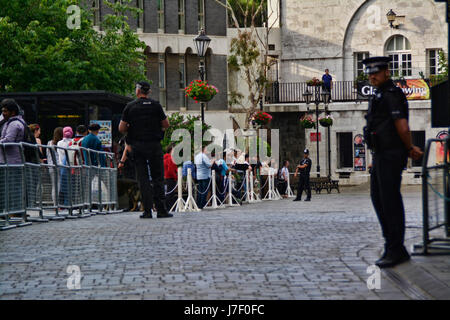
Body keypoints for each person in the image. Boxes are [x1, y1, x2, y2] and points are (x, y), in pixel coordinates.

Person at [362, 56, 423, 268]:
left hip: (391, 154)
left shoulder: (392, 95)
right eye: (369, 73)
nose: (372, 76)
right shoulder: (378, 95)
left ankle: (396, 248)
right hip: (380, 154)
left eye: (376, 72)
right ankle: (392, 244)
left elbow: (402, 125)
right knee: (378, 198)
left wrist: (409, 148)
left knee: (389, 200)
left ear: (386, 72)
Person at [119, 81, 171, 219]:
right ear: (148, 92)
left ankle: (147, 210)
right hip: (154, 145)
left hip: (138, 146)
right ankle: (161, 210)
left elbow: (121, 128)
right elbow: (166, 124)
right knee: (158, 178)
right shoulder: (156, 106)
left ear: (138, 91)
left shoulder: (130, 107)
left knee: (143, 179)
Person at [0, 99, 25, 164]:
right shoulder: (13, 122)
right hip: (11, 160)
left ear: (13, 112)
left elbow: (8, 141)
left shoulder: (14, 124)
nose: (3, 114)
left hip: (11, 161)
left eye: (5, 111)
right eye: (2, 111)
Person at [46, 127, 63, 205]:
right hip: (59, 166)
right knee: (58, 185)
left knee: (54, 185)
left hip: (51, 166)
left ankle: (55, 203)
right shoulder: (61, 143)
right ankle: (57, 204)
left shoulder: (49, 143)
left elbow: (47, 154)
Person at [57, 126, 73, 206]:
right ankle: (70, 202)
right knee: (72, 184)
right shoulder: (73, 142)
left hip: (62, 166)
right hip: (72, 166)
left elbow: (59, 155)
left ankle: (64, 203)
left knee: (63, 185)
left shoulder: (59, 143)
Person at [194, 145, 213, 209]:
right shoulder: (203, 156)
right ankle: (202, 204)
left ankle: (198, 203)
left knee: (200, 190)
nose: (207, 150)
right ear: (203, 150)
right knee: (204, 191)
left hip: (199, 175)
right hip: (205, 175)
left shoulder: (196, 156)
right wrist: (212, 161)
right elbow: (209, 165)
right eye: (206, 149)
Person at [164, 144, 178, 212]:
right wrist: (176, 176)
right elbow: (170, 169)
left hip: (168, 177)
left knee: (169, 193)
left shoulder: (167, 157)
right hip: (171, 177)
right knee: (170, 194)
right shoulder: (170, 158)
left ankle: (168, 207)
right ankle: (169, 207)